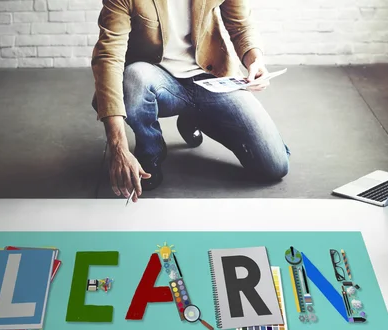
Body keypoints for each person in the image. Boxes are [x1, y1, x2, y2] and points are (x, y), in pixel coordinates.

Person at [91, 0, 290, 202]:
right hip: (157, 79)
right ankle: (150, 152)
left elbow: (240, 25)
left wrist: (254, 60)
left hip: (211, 77)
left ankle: (194, 116)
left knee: (275, 166)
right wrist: (118, 147)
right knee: (134, 78)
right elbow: (109, 57)